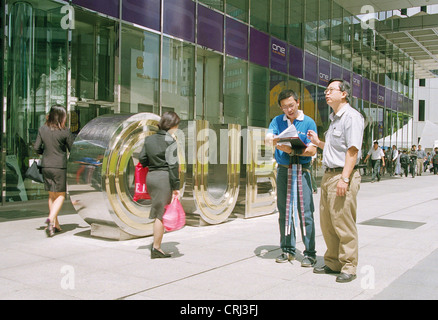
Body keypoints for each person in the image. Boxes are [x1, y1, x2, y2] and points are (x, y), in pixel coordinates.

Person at [308, 78, 364, 283]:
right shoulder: (334, 119)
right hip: (328, 175)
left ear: (344, 94)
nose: (326, 93)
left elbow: (352, 150)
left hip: (342, 175)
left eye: (331, 89)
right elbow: (334, 149)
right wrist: (318, 143)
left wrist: (345, 178)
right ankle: (333, 262)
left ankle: (349, 265)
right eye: (326, 90)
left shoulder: (352, 117)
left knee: (343, 222)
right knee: (328, 222)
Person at [265, 89, 318, 268]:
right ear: (280, 108)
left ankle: (310, 252)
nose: (289, 110)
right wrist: (279, 140)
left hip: (302, 169)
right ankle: (287, 248)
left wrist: (291, 149)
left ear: (298, 103)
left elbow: (313, 149)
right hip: (283, 169)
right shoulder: (277, 121)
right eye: (285, 107)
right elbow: (268, 139)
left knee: (306, 212)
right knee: (284, 210)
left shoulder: (308, 121)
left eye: (291, 105)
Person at [139, 111, 181, 259]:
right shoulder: (170, 141)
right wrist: (176, 186)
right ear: (172, 125)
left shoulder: (149, 140)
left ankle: (156, 245)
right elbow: (173, 166)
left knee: (158, 211)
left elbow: (142, 158)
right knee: (160, 214)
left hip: (151, 177)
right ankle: (156, 248)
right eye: (176, 125)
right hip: (164, 179)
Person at [34, 105, 75, 237]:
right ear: (61, 117)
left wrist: (44, 153)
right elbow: (72, 149)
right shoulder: (65, 131)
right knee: (61, 195)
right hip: (59, 167)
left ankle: (55, 224)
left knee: (52, 195)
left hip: (46, 166)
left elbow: (36, 148)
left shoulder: (42, 129)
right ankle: (50, 219)